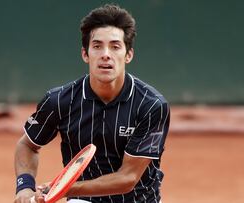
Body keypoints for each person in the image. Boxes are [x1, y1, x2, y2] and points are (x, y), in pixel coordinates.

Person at [14, 4, 170, 203]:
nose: (106, 54)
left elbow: (127, 178)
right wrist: (24, 187)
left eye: (115, 46)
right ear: (85, 54)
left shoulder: (151, 105)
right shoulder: (59, 101)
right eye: (97, 46)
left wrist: (62, 188)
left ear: (128, 55)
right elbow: (27, 144)